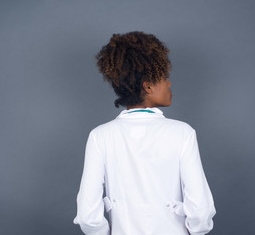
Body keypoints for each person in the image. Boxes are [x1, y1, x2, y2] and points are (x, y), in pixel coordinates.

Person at [73, 31, 216, 235]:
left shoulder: (100, 136)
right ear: (147, 86)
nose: (169, 83)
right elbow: (201, 212)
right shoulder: (182, 133)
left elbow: (88, 216)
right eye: (164, 78)